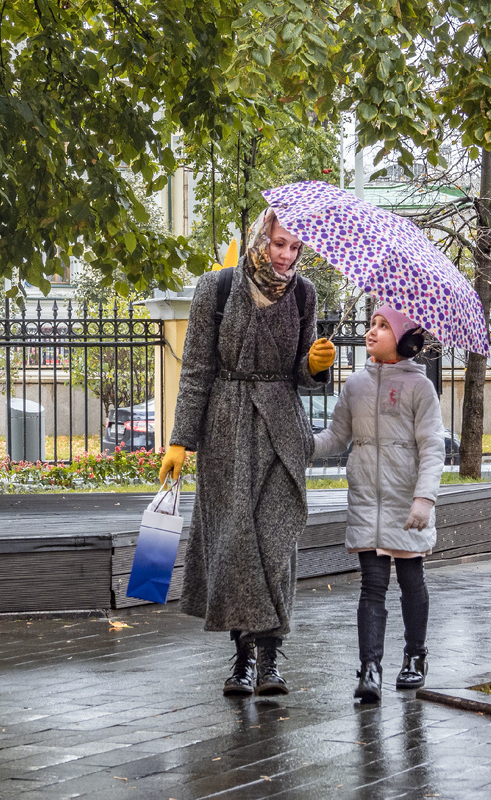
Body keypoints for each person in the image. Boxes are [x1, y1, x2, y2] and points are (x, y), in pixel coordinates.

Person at [158, 209, 336, 697]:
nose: (286, 256)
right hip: (226, 429)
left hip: (282, 428)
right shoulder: (215, 289)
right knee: (237, 542)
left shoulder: (303, 294)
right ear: (262, 238)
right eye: (280, 244)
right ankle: (242, 658)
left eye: (295, 248)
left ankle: (271, 657)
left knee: (275, 542)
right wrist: (181, 440)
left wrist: (315, 366)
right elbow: (196, 369)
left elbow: (303, 375)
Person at [312, 306, 444, 703]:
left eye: (383, 326)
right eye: (371, 324)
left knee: (410, 582)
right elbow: (335, 437)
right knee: (371, 586)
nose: (372, 331)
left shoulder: (421, 388)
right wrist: (301, 443)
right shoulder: (355, 385)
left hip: (407, 501)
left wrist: (424, 499)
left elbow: (433, 447)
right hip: (367, 501)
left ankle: (415, 655)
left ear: (404, 339)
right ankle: (370, 668)